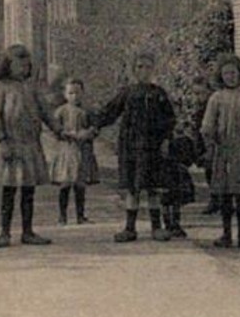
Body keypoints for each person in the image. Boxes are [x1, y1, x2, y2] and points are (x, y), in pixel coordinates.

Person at [92, 52, 177, 243]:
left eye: (148, 67)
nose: (144, 71)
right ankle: (129, 228)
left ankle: (157, 227)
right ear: (133, 70)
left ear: (153, 69)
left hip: (153, 147)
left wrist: (166, 140)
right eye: (139, 67)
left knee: (153, 188)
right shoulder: (127, 93)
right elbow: (110, 111)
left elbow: (169, 120)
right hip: (130, 146)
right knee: (132, 188)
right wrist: (95, 125)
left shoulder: (159, 94)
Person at [0, 44, 62, 247]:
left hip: (31, 145)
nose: (23, 69)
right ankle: (4, 232)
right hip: (11, 145)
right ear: (8, 66)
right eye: (18, 65)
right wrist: (2, 141)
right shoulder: (0, 87)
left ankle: (28, 232)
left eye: (26, 65)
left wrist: (58, 129)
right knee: (9, 190)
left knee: (29, 191)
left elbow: (45, 111)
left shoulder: (33, 87)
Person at [200, 53, 240, 249]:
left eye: (233, 73)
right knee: (225, 194)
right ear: (221, 76)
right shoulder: (216, 98)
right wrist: (210, 142)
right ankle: (226, 234)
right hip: (223, 152)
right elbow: (207, 125)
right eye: (226, 73)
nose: (230, 77)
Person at [49, 79, 99, 225]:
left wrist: (88, 133)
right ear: (65, 95)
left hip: (83, 151)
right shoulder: (61, 111)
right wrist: (65, 133)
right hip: (67, 151)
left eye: (77, 92)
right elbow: (55, 129)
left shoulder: (88, 111)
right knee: (65, 183)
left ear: (82, 93)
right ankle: (62, 216)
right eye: (71, 93)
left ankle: (80, 215)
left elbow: (95, 128)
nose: (74, 96)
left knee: (80, 184)